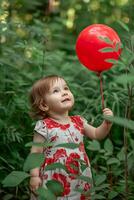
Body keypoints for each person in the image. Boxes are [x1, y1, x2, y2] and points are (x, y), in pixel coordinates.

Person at [29, 75, 113, 200]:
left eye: (66, 88)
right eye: (56, 91)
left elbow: (96, 134)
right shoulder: (44, 126)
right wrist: (34, 176)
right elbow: (36, 152)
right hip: (54, 177)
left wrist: (107, 123)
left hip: (79, 174)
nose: (64, 93)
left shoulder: (78, 121)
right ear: (44, 105)